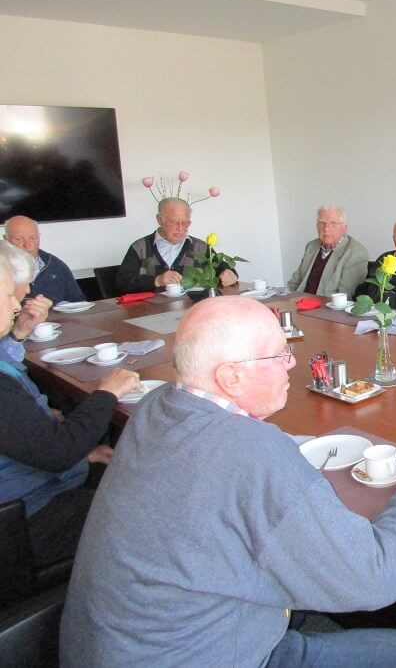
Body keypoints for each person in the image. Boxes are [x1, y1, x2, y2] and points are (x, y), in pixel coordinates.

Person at [60, 295, 396, 667]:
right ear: (230, 376)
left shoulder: (156, 405)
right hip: (199, 656)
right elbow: (377, 577)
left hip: (115, 644)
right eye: (279, 354)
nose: (292, 363)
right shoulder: (251, 452)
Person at [0, 249, 140, 572]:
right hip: (25, 519)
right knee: (150, 507)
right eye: (8, 295)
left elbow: (34, 439)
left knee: (128, 469)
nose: (17, 303)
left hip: (37, 481)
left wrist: (83, 453)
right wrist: (106, 393)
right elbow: (58, 453)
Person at [116, 197, 238, 293]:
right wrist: (157, 280)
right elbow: (122, 283)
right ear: (160, 220)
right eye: (175, 223)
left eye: (185, 223)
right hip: (149, 312)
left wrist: (230, 273)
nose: (180, 228)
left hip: (191, 309)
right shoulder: (140, 247)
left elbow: (220, 267)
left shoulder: (200, 247)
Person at [286, 205, 368, 296]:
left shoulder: (356, 253)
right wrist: (286, 298)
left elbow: (345, 297)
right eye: (322, 223)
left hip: (327, 304)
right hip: (300, 300)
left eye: (333, 223)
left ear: (345, 228)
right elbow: (294, 283)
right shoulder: (311, 246)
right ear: (317, 226)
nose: (326, 228)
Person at [3, 214, 85, 302]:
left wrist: (51, 308)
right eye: (19, 239)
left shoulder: (56, 265)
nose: (28, 245)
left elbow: (78, 301)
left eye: (33, 238)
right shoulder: (2, 269)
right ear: (6, 239)